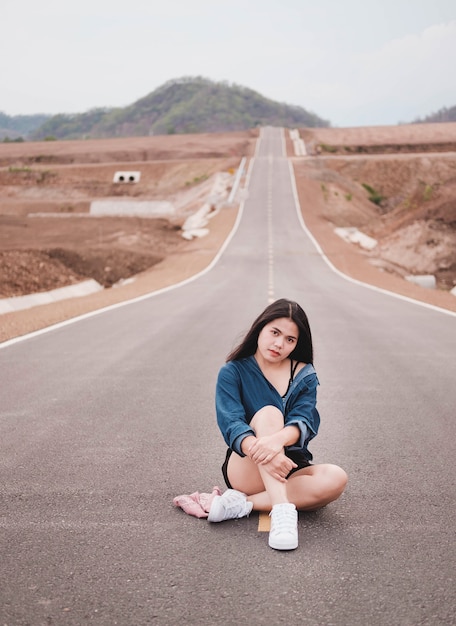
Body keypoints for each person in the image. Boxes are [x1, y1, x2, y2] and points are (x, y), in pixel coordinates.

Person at [207, 298, 348, 551]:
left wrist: (276, 442)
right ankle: (283, 512)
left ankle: (244, 504)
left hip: (289, 465)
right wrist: (266, 451)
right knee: (269, 413)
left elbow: (305, 420)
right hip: (247, 465)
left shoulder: (304, 374)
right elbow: (231, 423)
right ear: (260, 328)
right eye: (275, 332)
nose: (279, 344)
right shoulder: (233, 371)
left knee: (336, 478)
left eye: (290, 340)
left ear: (297, 344)